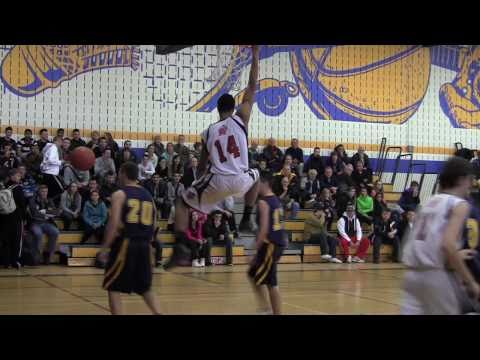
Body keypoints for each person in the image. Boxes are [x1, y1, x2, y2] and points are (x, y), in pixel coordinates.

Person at [165, 45, 260, 270]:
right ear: (234, 107)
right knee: (257, 175)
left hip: (217, 181)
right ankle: (247, 217)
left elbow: (203, 165)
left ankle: (181, 246)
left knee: (180, 203)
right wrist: (255, 55)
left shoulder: (208, 131)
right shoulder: (241, 118)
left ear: (218, 110)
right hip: (240, 180)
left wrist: (197, 189)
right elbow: (252, 85)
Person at [402, 156, 480, 315]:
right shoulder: (459, 205)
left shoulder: (428, 202)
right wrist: (471, 282)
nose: (472, 185)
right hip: (436, 276)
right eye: (471, 179)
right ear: (461, 179)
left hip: (411, 275)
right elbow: (447, 245)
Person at [99, 162, 160, 315]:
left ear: (124, 173)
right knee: (145, 288)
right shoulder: (148, 196)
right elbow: (155, 223)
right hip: (145, 245)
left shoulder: (119, 194)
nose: (118, 176)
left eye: (119, 173)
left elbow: (113, 225)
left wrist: (105, 248)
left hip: (126, 244)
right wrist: (150, 244)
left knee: (112, 286)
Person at [247, 172, 287, 315]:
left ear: (264, 184)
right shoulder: (276, 200)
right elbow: (281, 224)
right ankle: (266, 308)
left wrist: (253, 251)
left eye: (256, 184)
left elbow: (263, 230)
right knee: (253, 274)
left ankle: (269, 310)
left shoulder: (264, 202)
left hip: (270, 245)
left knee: (271, 282)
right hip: (276, 244)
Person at [0, 169, 27, 269]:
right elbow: (22, 204)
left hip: (4, 217)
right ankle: (15, 261)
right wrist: (24, 218)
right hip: (16, 218)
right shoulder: (18, 188)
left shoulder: (4, 186)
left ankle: (6, 262)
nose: (20, 177)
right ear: (13, 176)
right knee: (16, 241)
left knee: (6, 241)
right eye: (18, 176)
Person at [28, 185, 60, 265]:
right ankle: (36, 258)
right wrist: (46, 214)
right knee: (38, 234)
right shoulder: (33, 200)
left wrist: (44, 211)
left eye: (46, 191)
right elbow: (34, 213)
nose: (44, 193)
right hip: (35, 223)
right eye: (43, 191)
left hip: (46, 223)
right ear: (39, 192)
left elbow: (55, 212)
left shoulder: (49, 200)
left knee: (55, 232)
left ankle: (48, 255)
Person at [40, 136, 64, 202]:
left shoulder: (48, 147)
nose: (61, 145)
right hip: (51, 173)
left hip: (47, 173)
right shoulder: (54, 147)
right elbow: (50, 160)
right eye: (61, 142)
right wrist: (60, 162)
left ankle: (48, 205)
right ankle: (52, 204)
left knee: (49, 192)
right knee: (60, 190)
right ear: (58, 141)